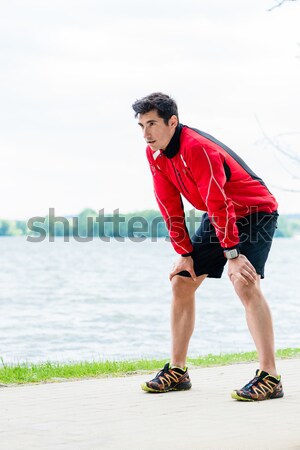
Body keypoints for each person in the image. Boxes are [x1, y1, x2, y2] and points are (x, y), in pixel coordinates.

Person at [132, 92, 284, 401]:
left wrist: (233, 256)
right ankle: (178, 371)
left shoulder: (197, 148)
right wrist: (184, 254)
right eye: (141, 125)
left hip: (255, 212)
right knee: (182, 282)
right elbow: (168, 204)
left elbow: (217, 200)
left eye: (151, 124)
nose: (146, 133)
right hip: (221, 214)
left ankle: (270, 377)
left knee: (244, 282)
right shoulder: (156, 154)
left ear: (171, 122)